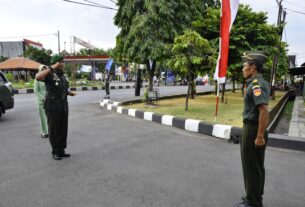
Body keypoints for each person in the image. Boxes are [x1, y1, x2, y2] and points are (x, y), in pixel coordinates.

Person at [234, 52, 270, 207]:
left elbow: (263, 111)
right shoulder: (257, 82)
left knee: (251, 167)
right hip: (253, 128)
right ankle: (254, 197)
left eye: (245, 66)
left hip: (253, 129)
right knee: (256, 166)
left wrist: (259, 135)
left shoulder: (256, 84)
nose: (243, 69)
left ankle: (253, 202)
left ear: (253, 68)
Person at [35, 55, 76, 160]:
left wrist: (69, 93)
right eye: (61, 61)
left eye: (63, 61)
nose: (63, 63)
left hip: (63, 106)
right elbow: (38, 77)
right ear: (56, 62)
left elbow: (61, 89)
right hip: (52, 106)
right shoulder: (49, 73)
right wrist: (51, 67)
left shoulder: (62, 75)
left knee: (63, 129)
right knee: (54, 130)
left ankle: (61, 150)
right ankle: (55, 151)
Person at [34, 65, 48, 138]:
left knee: (49, 117)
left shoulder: (47, 78)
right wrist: (42, 98)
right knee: (43, 117)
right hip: (41, 101)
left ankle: (49, 131)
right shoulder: (37, 78)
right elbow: (36, 91)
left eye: (45, 69)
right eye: (42, 69)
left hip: (49, 100)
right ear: (39, 70)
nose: (44, 70)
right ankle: (44, 132)